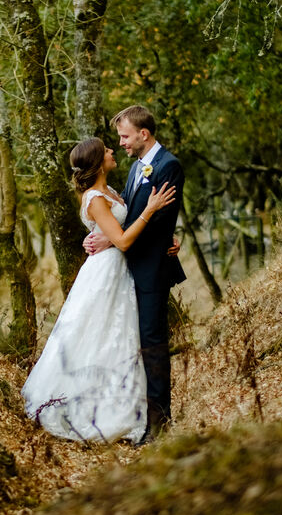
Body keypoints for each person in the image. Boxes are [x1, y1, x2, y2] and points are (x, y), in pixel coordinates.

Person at [21, 137, 176, 443]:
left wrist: (163, 239)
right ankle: (96, 409)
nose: (111, 151)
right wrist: (150, 208)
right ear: (96, 161)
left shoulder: (112, 191)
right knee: (99, 334)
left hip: (121, 268)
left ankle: (134, 406)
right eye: (106, 150)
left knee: (121, 334)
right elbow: (123, 240)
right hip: (105, 272)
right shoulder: (93, 198)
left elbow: (118, 231)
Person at [84, 105, 186, 438]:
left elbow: (159, 219)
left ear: (143, 134)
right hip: (130, 269)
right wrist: (107, 237)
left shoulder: (168, 166)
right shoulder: (136, 168)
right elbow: (132, 212)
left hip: (152, 268)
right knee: (137, 342)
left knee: (153, 343)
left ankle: (159, 425)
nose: (122, 143)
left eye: (125, 136)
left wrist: (115, 242)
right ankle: (137, 414)